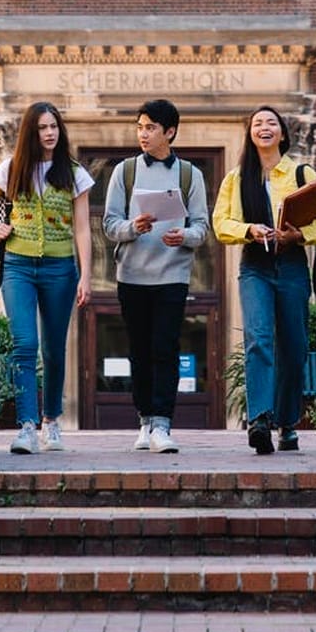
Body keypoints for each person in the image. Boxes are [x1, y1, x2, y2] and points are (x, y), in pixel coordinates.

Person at [211, 106, 316, 454]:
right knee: (258, 339)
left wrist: (299, 236)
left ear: (282, 134)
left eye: (271, 123)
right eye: (257, 123)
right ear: (250, 134)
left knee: (294, 346)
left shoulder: (301, 172)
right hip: (255, 266)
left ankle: (287, 423)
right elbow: (221, 223)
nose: (264, 128)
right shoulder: (236, 179)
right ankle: (259, 421)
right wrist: (249, 229)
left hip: (293, 266)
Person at [0, 101, 94, 454]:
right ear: (32, 132)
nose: (50, 133)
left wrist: (86, 275)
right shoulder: (12, 169)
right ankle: (27, 426)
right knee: (24, 345)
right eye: (43, 128)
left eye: (54, 127)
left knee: (54, 350)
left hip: (60, 269)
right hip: (18, 265)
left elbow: (83, 230)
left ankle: (52, 421)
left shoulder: (74, 173)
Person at [102, 99, 211, 454]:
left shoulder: (189, 174)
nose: (143, 134)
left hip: (173, 275)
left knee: (165, 348)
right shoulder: (125, 171)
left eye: (150, 127)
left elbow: (201, 227)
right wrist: (133, 227)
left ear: (170, 132)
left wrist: (185, 236)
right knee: (139, 350)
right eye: (140, 127)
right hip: (132, 275)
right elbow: (109, 224)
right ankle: (145, 420)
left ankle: (163, 424)